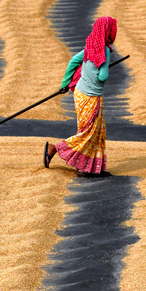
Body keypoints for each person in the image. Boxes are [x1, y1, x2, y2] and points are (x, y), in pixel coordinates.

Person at [44, 16, 117, 176]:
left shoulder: (90, 46)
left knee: (93, 130)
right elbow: (103, 76)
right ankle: (55, 149)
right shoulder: (104, 49)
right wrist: (104, 69)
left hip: (80, 94)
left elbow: (73, 61)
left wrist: (64, 84)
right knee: (90, 132)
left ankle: (90, 168)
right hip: (92, 96)